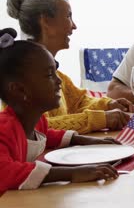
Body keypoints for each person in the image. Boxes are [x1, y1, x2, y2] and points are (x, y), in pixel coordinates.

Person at [0, 28, 119, 194]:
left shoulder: (35, 122)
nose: (59, 81)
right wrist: (73, 173)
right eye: (50, 75)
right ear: (20, 90)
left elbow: (48, 136)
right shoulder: (3, 129)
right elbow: (5, 172)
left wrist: (86, 140)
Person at [7, 0, 134, 134]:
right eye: (68, 16)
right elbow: (37, 129)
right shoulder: (24, 78)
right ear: (45, 21)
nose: (74, 26)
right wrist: (101, 119)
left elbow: (79, 102)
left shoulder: (57, 75)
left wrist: (108, 104)